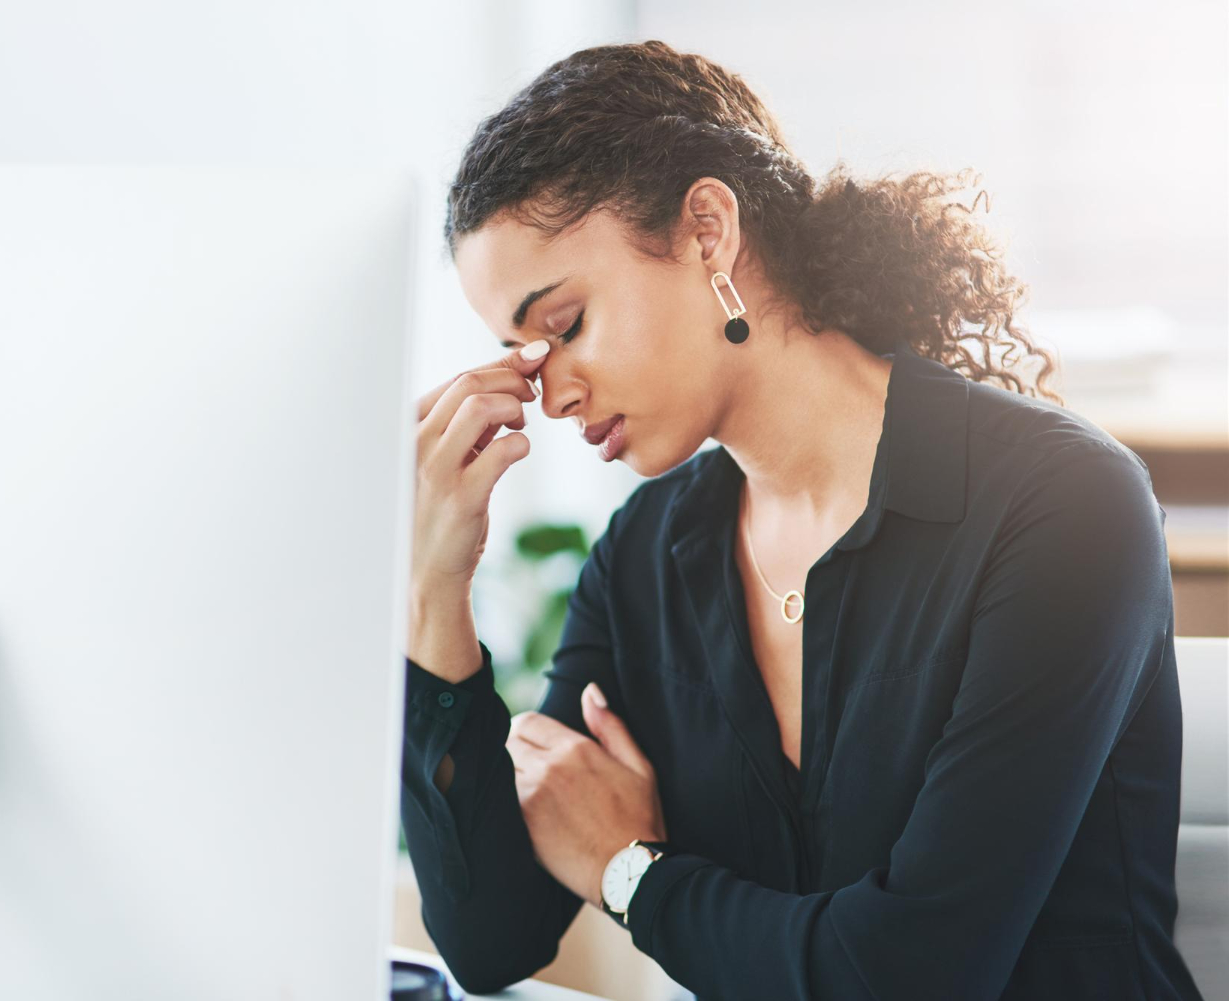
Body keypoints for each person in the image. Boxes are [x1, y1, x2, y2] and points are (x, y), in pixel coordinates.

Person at [400, 39, 1204, 1001]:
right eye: (522, 357)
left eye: (565, 324)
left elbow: (911, 974)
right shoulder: (649, 556)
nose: (552, 393)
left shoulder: (1063, 509)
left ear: (708, 230)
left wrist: (630, 869)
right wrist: (434, 588)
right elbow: (493, 937)